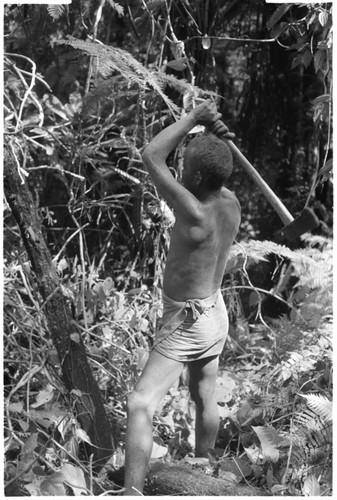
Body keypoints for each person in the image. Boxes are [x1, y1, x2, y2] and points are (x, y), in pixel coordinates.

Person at [123, 100, 241, 495]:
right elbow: (213, 167)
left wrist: (192, 118)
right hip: (214, 312)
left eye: (186, 167)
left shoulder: (194, 211)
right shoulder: (230, 203)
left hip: (187, 321)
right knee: (203, 392)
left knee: (140, 403)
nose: (179, 170)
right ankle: (204, 470)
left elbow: (151, 155)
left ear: (197, 175)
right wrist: (215, 139)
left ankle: (131, 492)